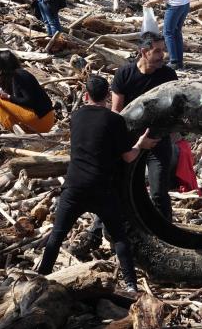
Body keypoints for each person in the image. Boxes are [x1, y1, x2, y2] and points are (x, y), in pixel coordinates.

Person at [36, 76, 158, 292]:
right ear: (108, 96)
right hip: (101, 187)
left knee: (57, 235)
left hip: (74, 186)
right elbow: (129, 157)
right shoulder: (114, 121)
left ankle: (40, 277)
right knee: (120, 237)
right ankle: (131, 284)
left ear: (86, 95)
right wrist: (141, 144)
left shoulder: (76, 116)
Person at [111, 32, 178, 218]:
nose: (162, 56)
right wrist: (130, 143)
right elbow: (116, 113)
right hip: (130, 142)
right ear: (143, 52)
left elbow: (175, 109)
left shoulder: (168, 74)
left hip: (158, 142)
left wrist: (170, 134)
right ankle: (100, 229)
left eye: (163, 50)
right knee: (121, 186)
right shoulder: (125, 74)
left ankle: (167, 234)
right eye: (157, 51)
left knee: (158, 193)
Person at [0, 51, 55, 135]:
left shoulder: (20, 75)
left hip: (42, 119)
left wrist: (7, 96)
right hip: (44, 119)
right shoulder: (13, 76)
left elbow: (29, 101)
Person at [145, 0, 189, 70]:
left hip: (175, 5)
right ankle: (179, 61)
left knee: (168, 32)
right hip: (185, 3)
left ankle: (173, 61)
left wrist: (151, 2)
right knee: (176, 32)